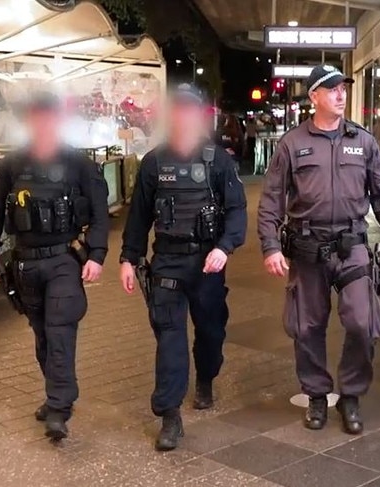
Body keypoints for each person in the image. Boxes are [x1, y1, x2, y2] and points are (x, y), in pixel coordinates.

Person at [257, 64, 380, 435]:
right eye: (331, 89)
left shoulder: (363, 141)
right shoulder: (292, 143)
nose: (340, 95)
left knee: (361, 322)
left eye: (343, 88)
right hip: (307, 247)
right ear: (314, 97)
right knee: (307, 327)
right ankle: (318, 396)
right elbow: (272, 198)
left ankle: (351, 394)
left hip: (352, 245)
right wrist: (270, 246)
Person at [119, 83, 247, 451]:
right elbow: (139, 217)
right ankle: (169, 414)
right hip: (168, 263)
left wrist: (225, 247)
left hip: (208, 262)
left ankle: (206, 377)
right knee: (169, 338)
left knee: (211, 333)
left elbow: (237, 210)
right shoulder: (154, 163)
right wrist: (129, 258)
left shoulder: (218, 161)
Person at [0, 91, 110, 441]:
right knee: (42, 337)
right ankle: (56, 392)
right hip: (25, 265)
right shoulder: (11, 164)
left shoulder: (78, 164)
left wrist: (96, 255)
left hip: (63, 260)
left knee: (59, 331)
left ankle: (59, 406)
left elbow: (99, 213)